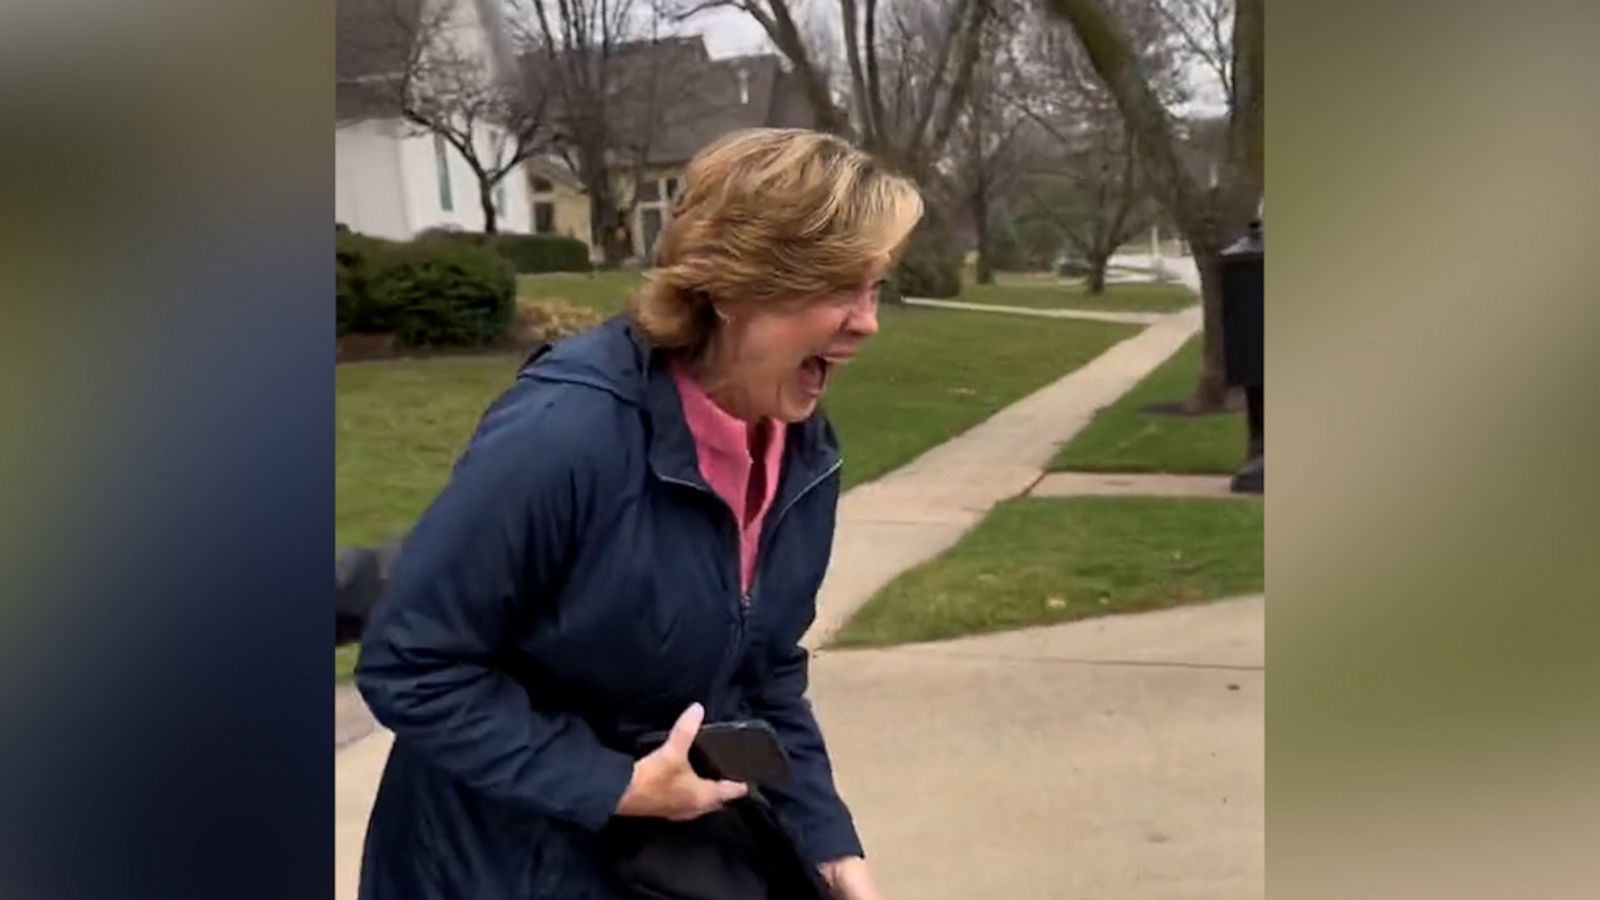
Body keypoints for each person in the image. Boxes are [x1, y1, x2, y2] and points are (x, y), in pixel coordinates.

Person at [355, 128, 923, 900]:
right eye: (840, 289)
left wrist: (825, 840)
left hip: (651, 871)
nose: (868, 322)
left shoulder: (801, 452)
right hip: (491, 868)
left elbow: (765, 671)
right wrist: (613, 783)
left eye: (875, 287)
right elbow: (412, 665)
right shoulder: (565, 435)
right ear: (732, 288)